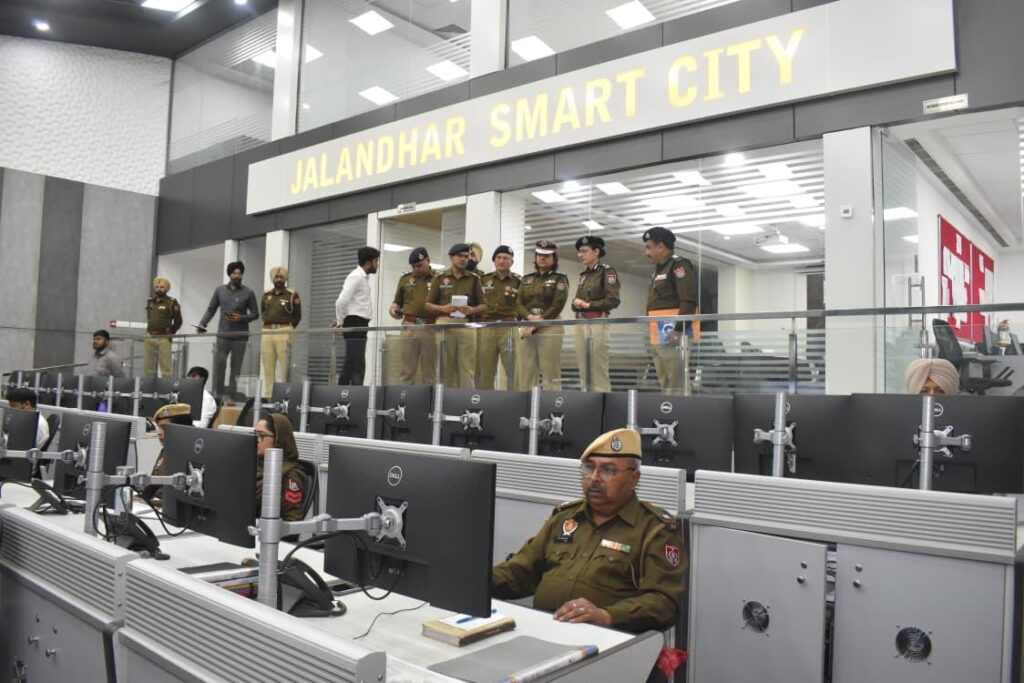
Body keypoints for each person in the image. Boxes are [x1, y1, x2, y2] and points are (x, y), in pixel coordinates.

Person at [491, 428, 686, 633]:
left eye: (608, 470)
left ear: (633, 478)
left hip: (608, 640)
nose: (594, 478)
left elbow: (664, 603)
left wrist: (606, 615)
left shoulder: (654, 530)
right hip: (545, 629)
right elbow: (521, 573)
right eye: (589, 468)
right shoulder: (565, 518)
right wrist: (476, 580)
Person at [643, 227, 697, 395]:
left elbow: (688, 300)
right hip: (658, 331)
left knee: (676, 381)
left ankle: (680, 411)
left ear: (661, 246)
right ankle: (668, 409)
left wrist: (678, 329)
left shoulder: (679, 265)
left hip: (673, 331)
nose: (646, 252)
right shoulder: (659, 269)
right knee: (665, 380)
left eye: (649, 247)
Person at [196, 261, 260, 398]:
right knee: (220, 366)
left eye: (239, 273)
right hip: (223, 336)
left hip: (240, 337)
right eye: (234, 273)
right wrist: (202, 323)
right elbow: (211, 309)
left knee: (235, 368)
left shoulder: (248, 292)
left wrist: (241, 318)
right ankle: (218, 396)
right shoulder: (220, 290)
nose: (237, 276)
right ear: (229, 274)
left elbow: (255, 314)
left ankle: (232, 397)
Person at [426, 243, 485, 389]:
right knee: (445, 367)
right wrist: (442, 308)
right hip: (445, 323)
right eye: (460, 256)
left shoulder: (474, 279)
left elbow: (483, 305)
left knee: (467, 367)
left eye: (466, 256)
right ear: (451, 257)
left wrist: (472, 310)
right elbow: (428, 304)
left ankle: (466, 399)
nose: (463, 259)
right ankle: (444, 399)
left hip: (466, 324)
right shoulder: (440, 278)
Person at [516, 240, 569, 390]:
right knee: (526, 371)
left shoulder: (559, 279)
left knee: (550, 371)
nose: (542, 258)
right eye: (539, 255)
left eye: (546, 256)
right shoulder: (527, 279)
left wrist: (539, 321)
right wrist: (529, 318)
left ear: (554, 258)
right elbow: (519, 303)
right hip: (527, 326)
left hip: (549, 326)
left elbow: (557, 304)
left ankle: (552, 404)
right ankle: (526, 402)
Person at [571, 236, 621, 393]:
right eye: (579, 252)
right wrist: (576, 303)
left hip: (597, 321)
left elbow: (613, 300)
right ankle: (586, 399)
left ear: (596, 252)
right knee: (583, 367)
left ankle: (603, 401)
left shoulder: (607, 271)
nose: (580, 255)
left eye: (584, 251)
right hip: (580, 323)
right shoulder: (583, 275)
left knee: (598, 367)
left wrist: (588, 305)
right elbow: (576, 302)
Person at [388, 247, 437, 385]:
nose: (416, 269)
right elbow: (396, 302)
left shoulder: (438, 279)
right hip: (409, 327)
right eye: (414, 266)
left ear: (428, 260)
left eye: (419, 265)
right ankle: (405, 397)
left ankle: (430, 398)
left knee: (430, 371)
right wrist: (393, 310)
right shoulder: (405, 279)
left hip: (430, 327)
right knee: (407, 370)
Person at [477, 245, 521, 390]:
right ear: (494, 260)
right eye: (499, 258)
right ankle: (486, 400)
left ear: (512, 262)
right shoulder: (483, 280)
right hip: (487, 328)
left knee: (513, 370)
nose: (502, 261)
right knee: (485, 371)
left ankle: (515, 399)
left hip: (508, 328)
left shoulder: (518, 281)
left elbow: (523, 305)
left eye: (506, 258)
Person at [334, 246, 380, 385]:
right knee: (357, 365)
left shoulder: (362, 277)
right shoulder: (357, 277)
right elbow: (341, 301)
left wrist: (341, 320)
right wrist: (340, 321)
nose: (377, 264)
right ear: (368, 262)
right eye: (376, 261)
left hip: (358, 323)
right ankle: (356, 394)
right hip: (355, 323)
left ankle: (342, 393)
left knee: (351, 363)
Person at [254, 412, 309, 522]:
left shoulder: (291, 475)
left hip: (268, 531)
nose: (256, 440)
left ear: (278, 439)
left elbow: (292, 520)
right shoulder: (254, 465)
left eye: (261, 436)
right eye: (254, 435)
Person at [260, 266, 302, 398]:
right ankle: (268, 396)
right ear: (272, 279)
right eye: (276, 277)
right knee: (268, 367)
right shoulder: (266, 295)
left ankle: (284, 396)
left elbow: (297, 316)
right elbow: (263, 312)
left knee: (285, 367)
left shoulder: (292, 294)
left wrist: (288, 328)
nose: (279, 279)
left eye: (281, 277)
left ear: (285, 279)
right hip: (267, 331)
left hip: (284, 331)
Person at [145, 402, 193, 500]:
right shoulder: (166, 450)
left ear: (181, 428)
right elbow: (154, 485)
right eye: (158, 427)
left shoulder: (191, 456)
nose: (158, 432)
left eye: (165, 428)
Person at [144, 276, 182, 378]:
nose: (159, 289)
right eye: (156, 287)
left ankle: (165, 387)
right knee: (148, 367)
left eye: (162, 287)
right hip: (149, 336)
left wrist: (170, 333)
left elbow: (178, 321)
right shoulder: (150, 301)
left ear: (166, 288)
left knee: (165, 368)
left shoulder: (172, 302)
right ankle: (149, 386)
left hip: (164, 337)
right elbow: (150, 317)